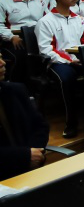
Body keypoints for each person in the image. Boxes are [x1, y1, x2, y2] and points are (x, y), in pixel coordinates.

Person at [36, 0, 84, 137]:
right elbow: (46, 49)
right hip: (56, 62)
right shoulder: (46, 21)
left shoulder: (80, 19)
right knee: (67, 78)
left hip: (79, 59)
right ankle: (71, 122)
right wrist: (69, 60)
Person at [0, 53, 50, 181]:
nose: (3, 63)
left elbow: (40, 126)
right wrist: (25, 156)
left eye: (1, 57)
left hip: (31, 170)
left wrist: (34, 153)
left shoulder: (16, 90)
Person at [0, 0, 47, 81]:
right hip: (16, 39)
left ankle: (40, 84)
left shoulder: (38, 0)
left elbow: (47, 19)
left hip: (38, 37)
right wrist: (11, 37)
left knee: (47, 56)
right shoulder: (4, 2)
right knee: (21, 57)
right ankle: (16, 84)